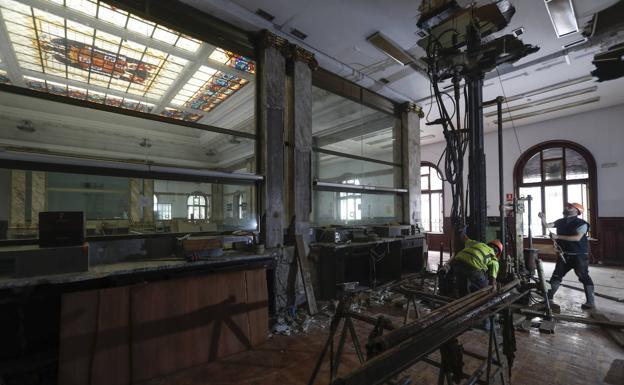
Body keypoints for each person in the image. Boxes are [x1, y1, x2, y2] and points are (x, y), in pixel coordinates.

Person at [538, 202, 595, 309]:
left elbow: (577, 238)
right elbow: (547, 226)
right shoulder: (561, 221)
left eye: (570, 207)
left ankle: (590, 302)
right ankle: (548, 298)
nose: (566, 207)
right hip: (564, 255)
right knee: (556, 276)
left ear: (577, 211)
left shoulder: (582, 223)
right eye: (567, 206)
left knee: (583, 276)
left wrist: (558, 236)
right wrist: (543, 218)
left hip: (579, 255)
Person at [440, 233, 502, 297]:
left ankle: (462, 301)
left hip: (457, 264)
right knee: (485, 288)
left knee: (463, 289)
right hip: (473, 268)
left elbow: (464, 238)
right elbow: (492, 280)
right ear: (497, 254)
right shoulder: (494, 259)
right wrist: (494, 289)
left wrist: (462, 230)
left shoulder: (477, 243)